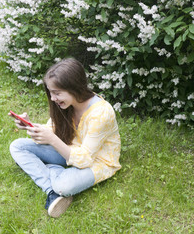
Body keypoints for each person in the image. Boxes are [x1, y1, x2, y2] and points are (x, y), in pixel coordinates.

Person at [9, 58, 121, 218]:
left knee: (63, 185)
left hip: (97, 161)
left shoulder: (101, 113)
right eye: (51, 92)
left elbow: (86, 160)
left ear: (74, 88)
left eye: (57, 93)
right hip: (68, 150)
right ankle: (51, 191)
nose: (53, 98)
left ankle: (51, 177)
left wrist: (52, 140)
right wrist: (31, 126)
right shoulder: (65, 104)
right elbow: (53, 130)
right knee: (18, 146)